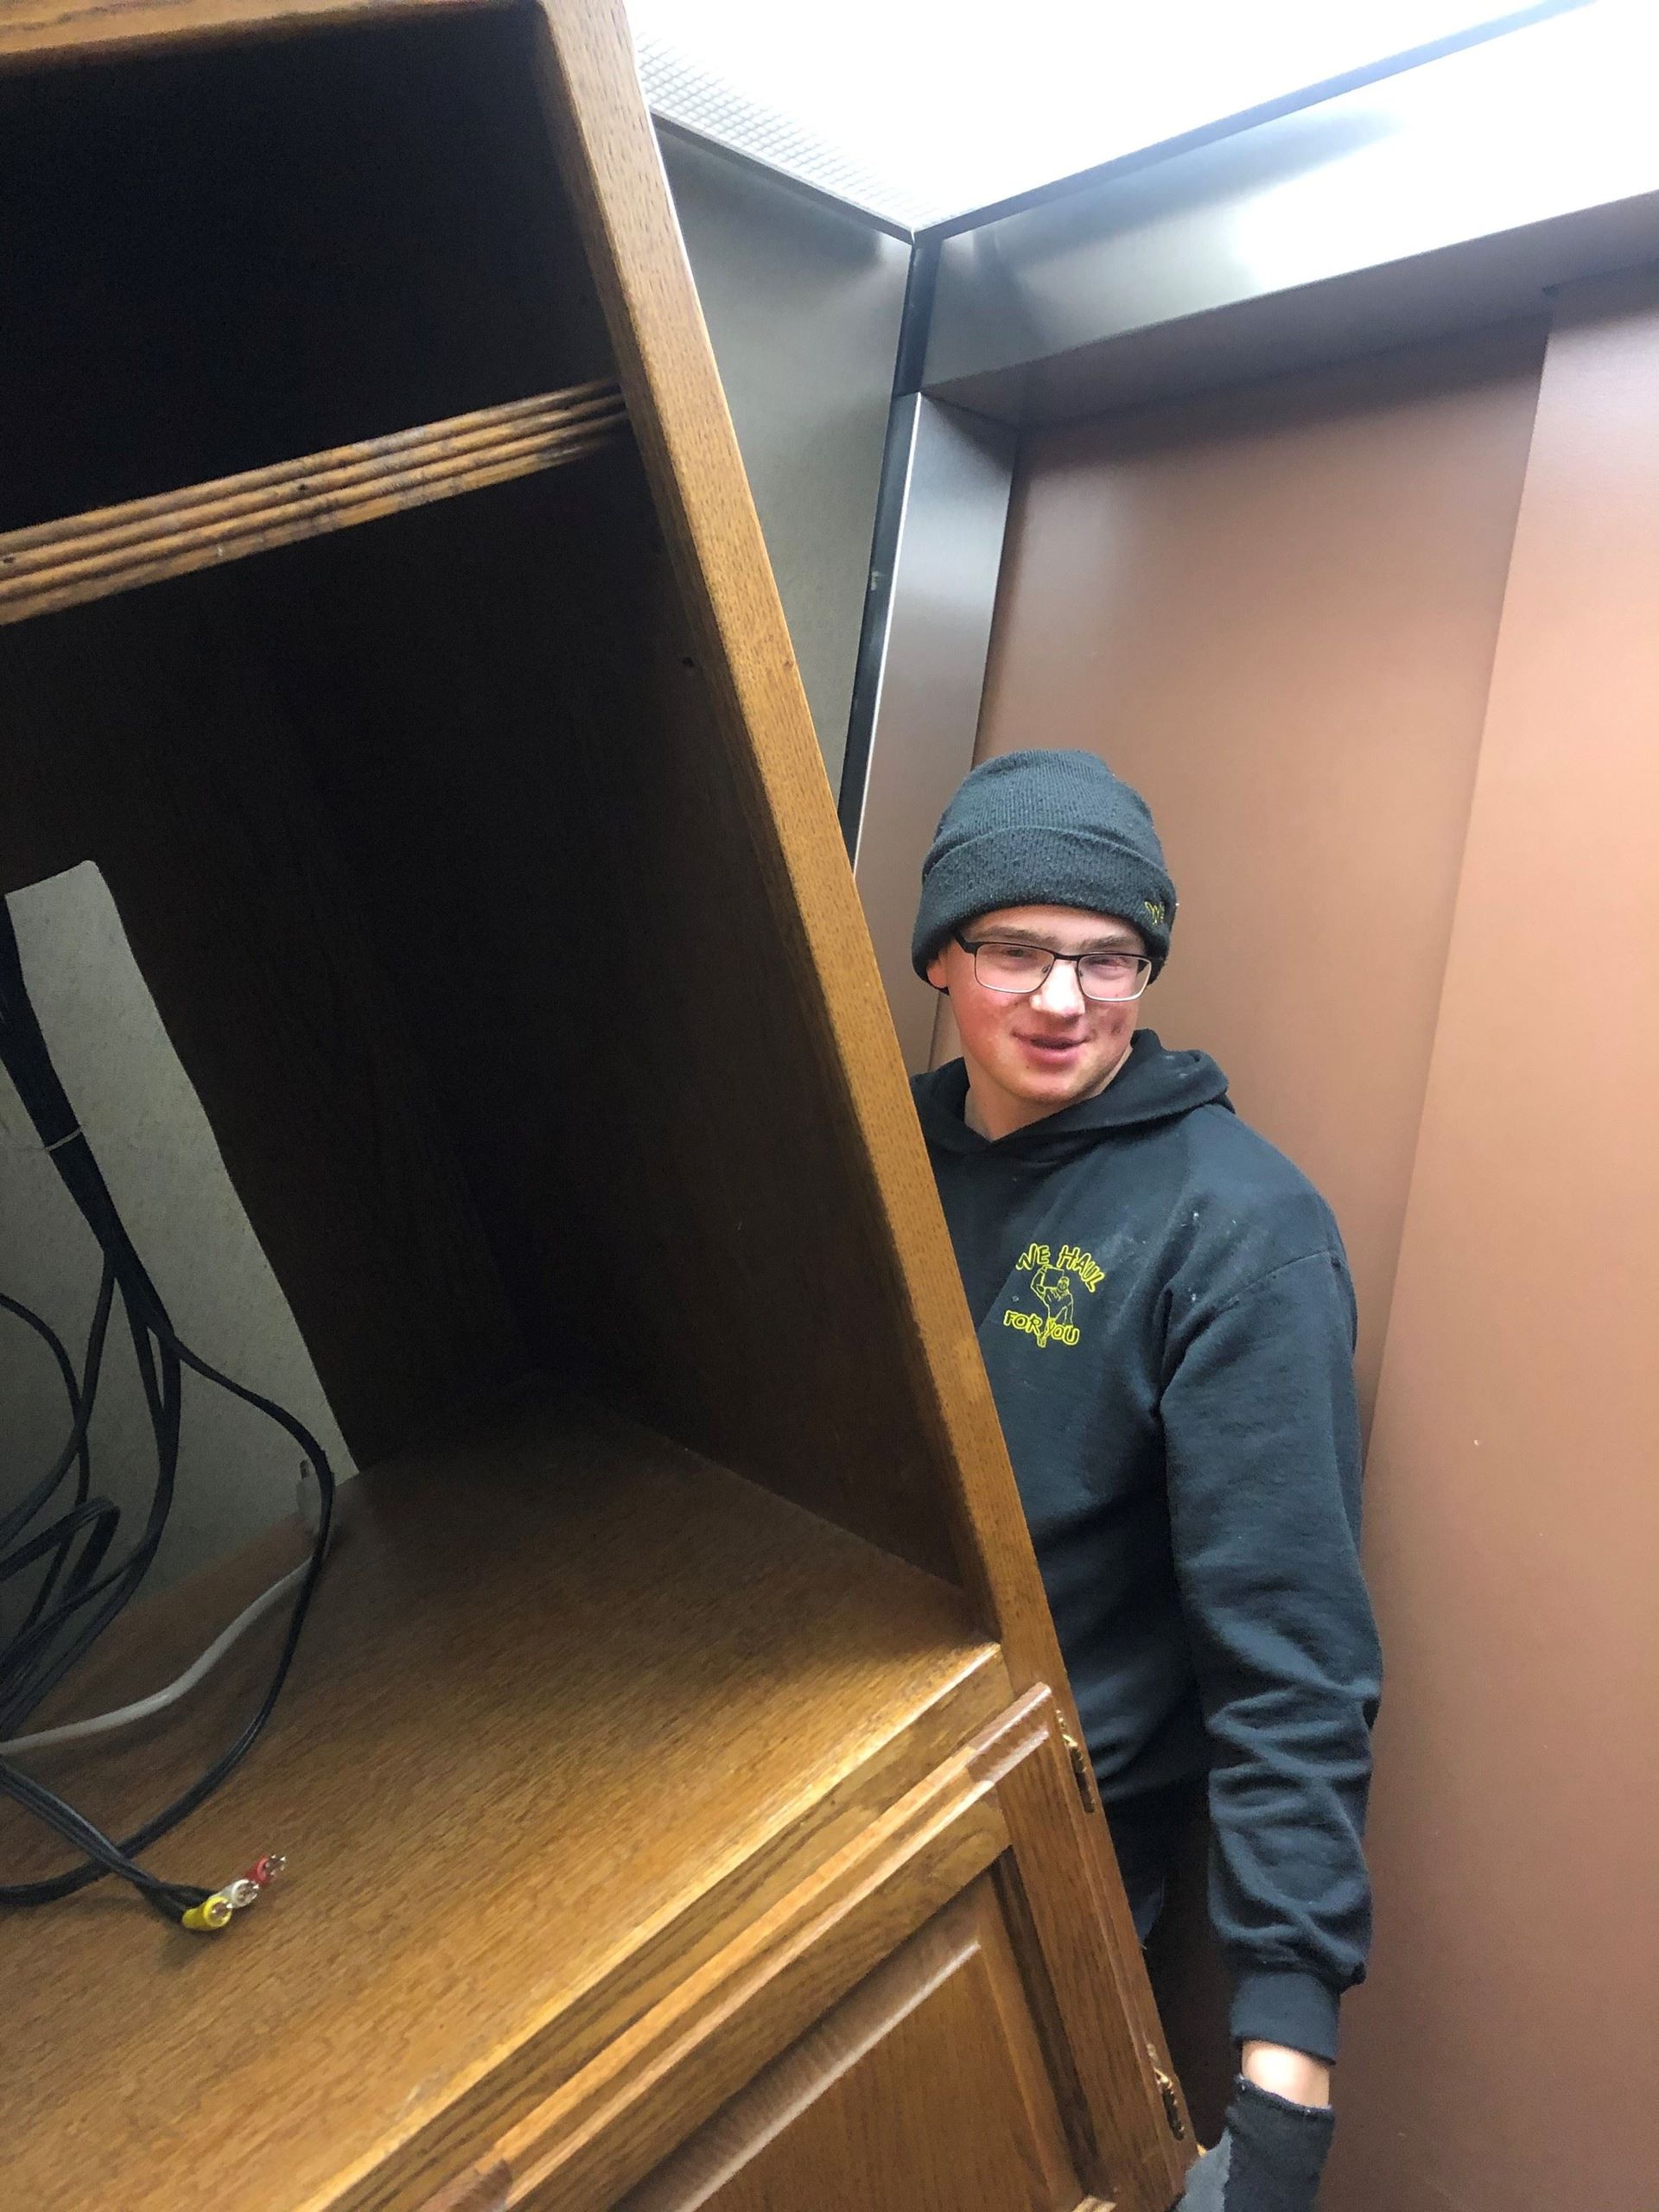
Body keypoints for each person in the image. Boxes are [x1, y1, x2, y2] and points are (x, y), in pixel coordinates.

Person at [909, 749, 1382, 2211]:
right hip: (827, 1791)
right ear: (943, 954)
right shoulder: (874, 1156)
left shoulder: (1239, 1228)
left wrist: (1285, 2091)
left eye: (1108, 959)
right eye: (1017, 949)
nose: (1064, 999)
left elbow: (1291, 1662)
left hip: (1054, 1856)